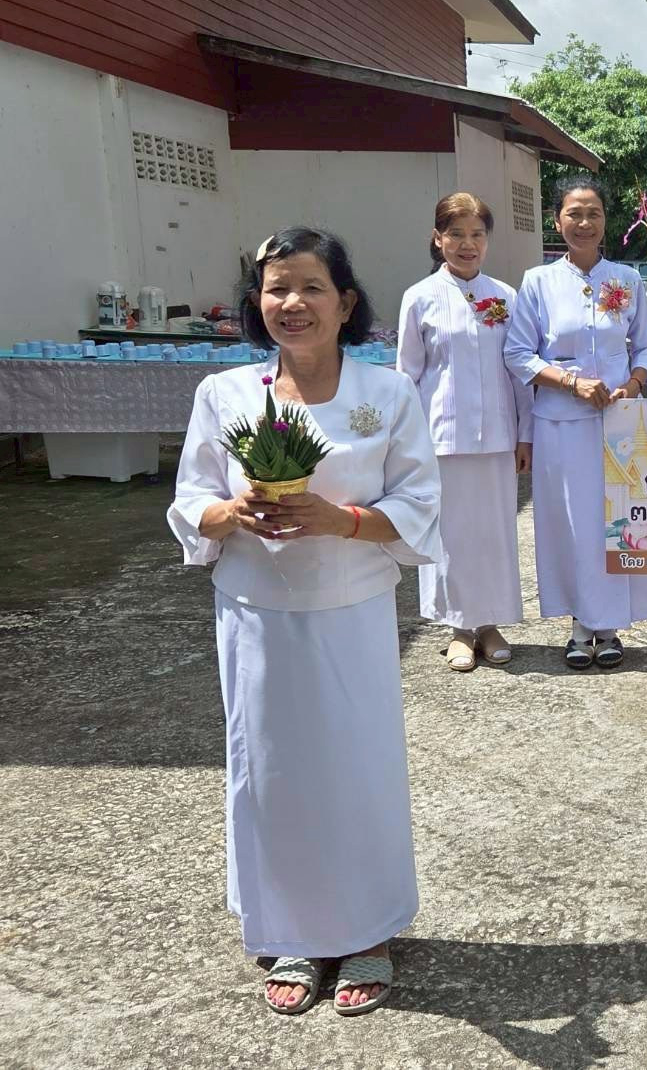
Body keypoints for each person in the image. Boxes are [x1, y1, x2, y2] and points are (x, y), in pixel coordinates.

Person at [168, 227, 440, 1016]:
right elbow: (191, 500)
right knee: (271, 772)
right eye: (276, 288)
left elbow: (419, 506)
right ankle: (290, 928)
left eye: (310, 287)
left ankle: (365, 931)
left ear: (346, 302)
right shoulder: (225, 395)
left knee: (357, 771)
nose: (292, 303)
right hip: (255, 612)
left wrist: (337, 518)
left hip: (350, 610)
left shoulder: (387, 395)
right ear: (259, 303)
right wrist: (231, 511)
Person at [504, 176, 647, 669]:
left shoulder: (628, 280)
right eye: (574, 213)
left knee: (613, 522)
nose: (584, 222)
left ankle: (610, 625)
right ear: (558, 221)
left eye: (593, 212)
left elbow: (646, 346)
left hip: (618, 423)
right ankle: (577, 623)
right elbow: (518, 353)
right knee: (571, 525)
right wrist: (571, 383)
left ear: (605, 220)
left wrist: (633, 384)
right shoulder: (538, 282)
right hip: (560, 425)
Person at [397, 192, 529, 671]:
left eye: (476, 234)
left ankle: (489, 623)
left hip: (497, 435)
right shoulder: (419, 297)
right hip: (440, 437)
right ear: (438, 238)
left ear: (487, 240)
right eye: (456, 234)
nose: (467, 244)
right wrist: (405, 443)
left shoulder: (506, 296)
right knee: (449, 534)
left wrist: (525, 435)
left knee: (494, 532)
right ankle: (457, 627)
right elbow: (407, 375)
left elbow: (519, 371)